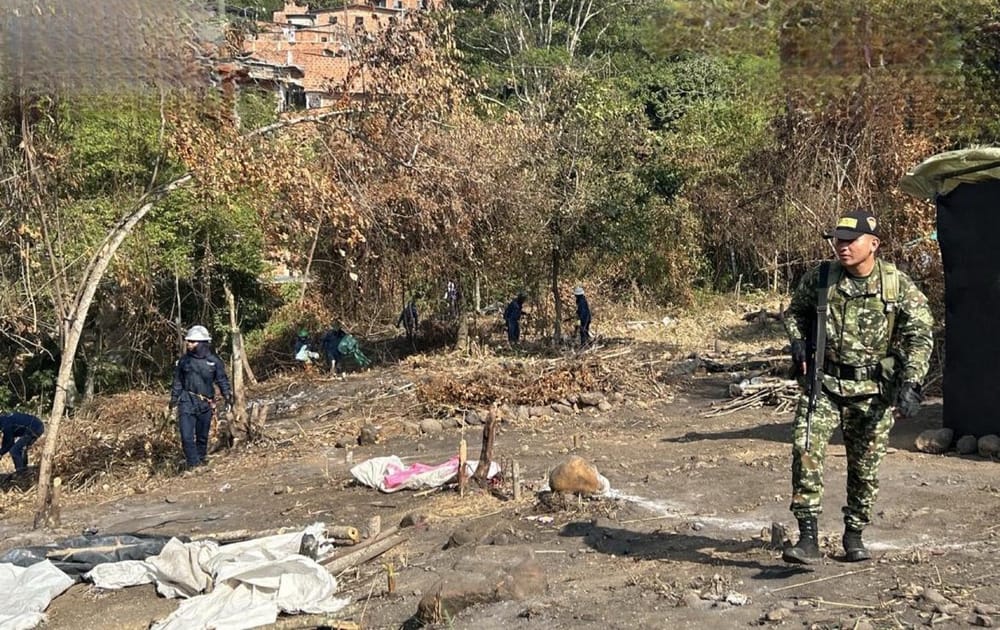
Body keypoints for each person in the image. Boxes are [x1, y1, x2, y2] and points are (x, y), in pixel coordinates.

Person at [782, 209, 933, 564]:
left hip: (871, 392)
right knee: (805, 451)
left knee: (864, 468)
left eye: (850, 241)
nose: (842, 246)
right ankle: (807, 539)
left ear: (873, 244)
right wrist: (798, 341)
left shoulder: (895, 285)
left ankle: (854, 535)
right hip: (824, 385)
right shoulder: (821, 278)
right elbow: (795, 313)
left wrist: (912, 380)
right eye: (838, 240)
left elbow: (919, 334)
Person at [169, 325, 233, 470]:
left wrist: (227, 395)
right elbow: (178, 381)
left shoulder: (214, 361)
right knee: (186, 437)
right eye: (188, 341)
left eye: (193, 342)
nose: (189, 344)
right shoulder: (184, 361)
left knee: (202, 436)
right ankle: (194, 464)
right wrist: (174, 398)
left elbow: (222, 380)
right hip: (187, 401)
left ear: (202, 343)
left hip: (206, 402)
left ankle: (201, 459)